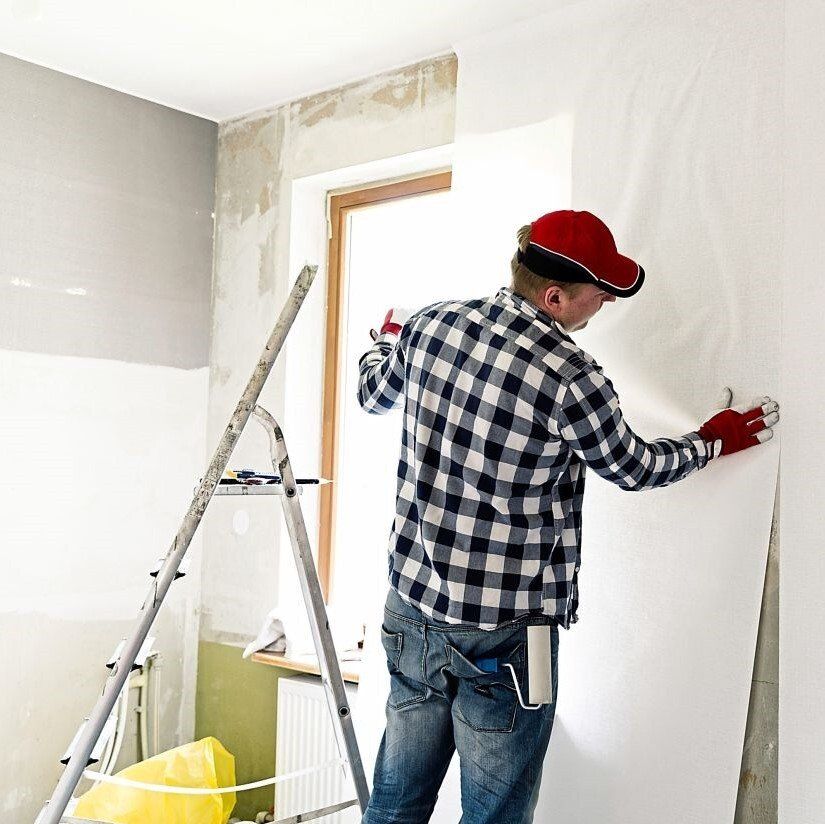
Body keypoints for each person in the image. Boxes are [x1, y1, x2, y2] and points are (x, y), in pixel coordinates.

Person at [355, 209, 779, 824]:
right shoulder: (569, 375)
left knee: (396, 801)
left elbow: (374, 394)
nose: (603, 303)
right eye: (598, 294)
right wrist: (712, 441)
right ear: (555, 296)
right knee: (495, 815)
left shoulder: (430, 325)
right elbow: (632, 467)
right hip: (506, 636)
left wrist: (384, 343)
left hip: (411, 611)